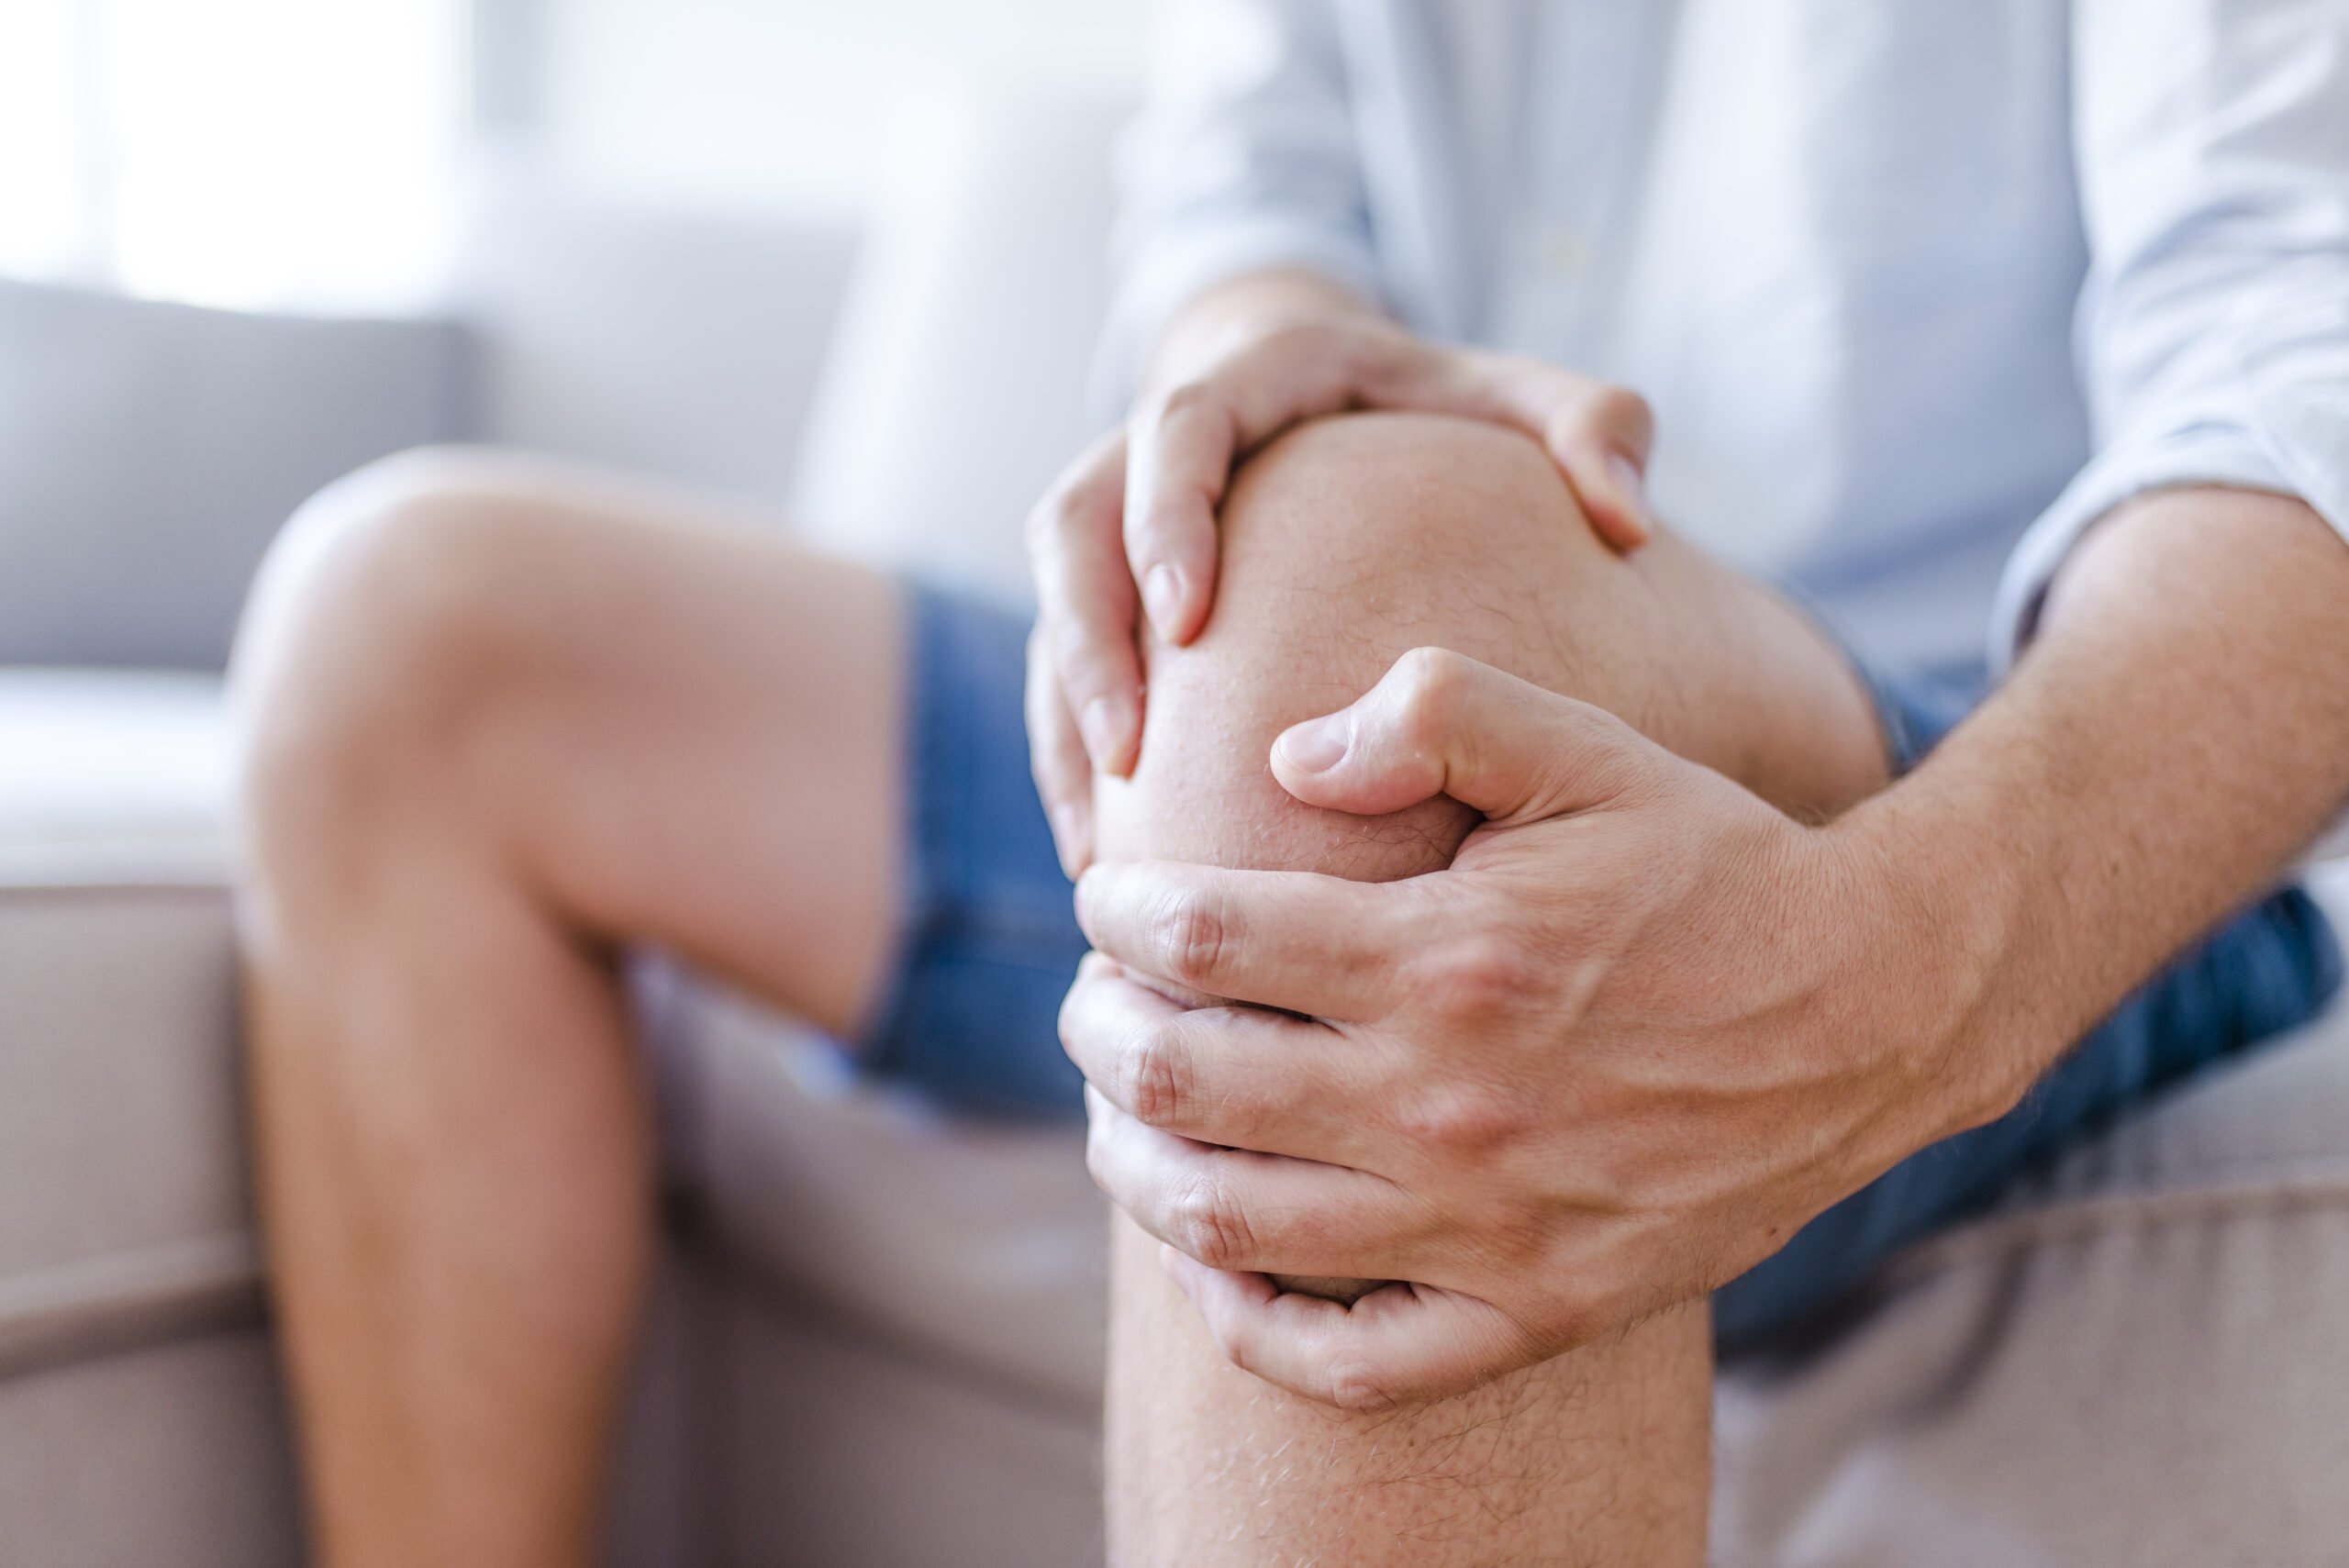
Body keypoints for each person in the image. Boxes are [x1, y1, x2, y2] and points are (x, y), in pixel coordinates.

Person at [228, 3, 2349, 1564]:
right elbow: (1240, 204)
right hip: (1306, 699)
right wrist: (1251, 374)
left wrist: (1900, 960)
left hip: (1997, 771)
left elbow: (2298, 388)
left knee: (1376, 660)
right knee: (405, 630)